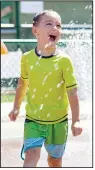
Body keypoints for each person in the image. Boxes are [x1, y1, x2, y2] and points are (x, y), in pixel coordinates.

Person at [8, 9, 83, 167]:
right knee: (31, 155)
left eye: (58, 25)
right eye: (49, 23)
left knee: (54, 161)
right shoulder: (27, 59)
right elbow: (23, 83)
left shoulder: (64, 61)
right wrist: (16, 107)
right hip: (33, 121)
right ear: (35, 31)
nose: (55, 28)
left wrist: (76, 120)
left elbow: (72, 92)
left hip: (58, 122)